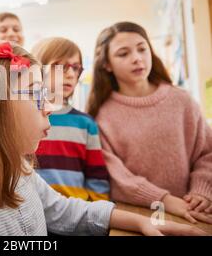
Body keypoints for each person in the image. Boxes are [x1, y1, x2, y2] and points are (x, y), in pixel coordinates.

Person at [0, 41, 205, 236]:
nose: (48, 107)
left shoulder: (18, 172)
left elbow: (64, 210)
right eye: (35, 94)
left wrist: (140, 221)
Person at [86, 21, 212, 225]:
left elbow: (207, 153)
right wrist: (165, 200)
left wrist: (202, 192)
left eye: (142, 49)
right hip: (137, 216)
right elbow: (117, 177)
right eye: (123, 53)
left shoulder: (182, 100)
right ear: (106, 64)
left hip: (195, 211)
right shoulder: (101, 117)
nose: (137, 58)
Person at [31, 37, 110, 202]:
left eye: (76, 68)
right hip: (34, 214)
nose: (70, 74)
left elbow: (97, 178)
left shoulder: (86, 124)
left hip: (79, 216)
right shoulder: (24, 120)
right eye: (60, 67)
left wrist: (95, 212)